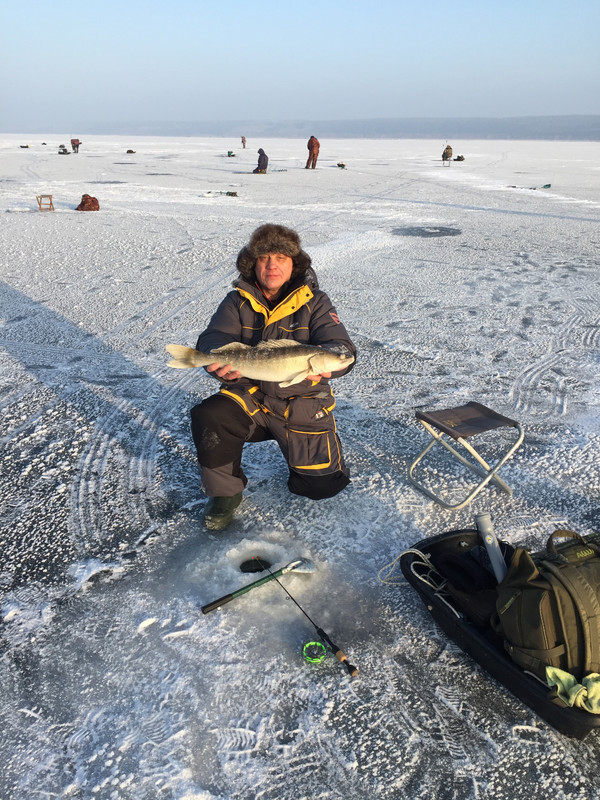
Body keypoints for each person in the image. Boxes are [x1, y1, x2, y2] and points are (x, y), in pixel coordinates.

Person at [190, 223, 357, 530]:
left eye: (281, 258)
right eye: (265, 258)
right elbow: (213, 338)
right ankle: (224, 494)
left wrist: (337, 358)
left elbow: (341, 346)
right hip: (249, 398)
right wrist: (213, 356)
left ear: (294, 264)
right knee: (210, 415)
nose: (272, 265)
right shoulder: (236, 301)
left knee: (322, 487)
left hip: (300, 404)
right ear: (253, 263)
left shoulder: (315, 301)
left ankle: (308, 461)